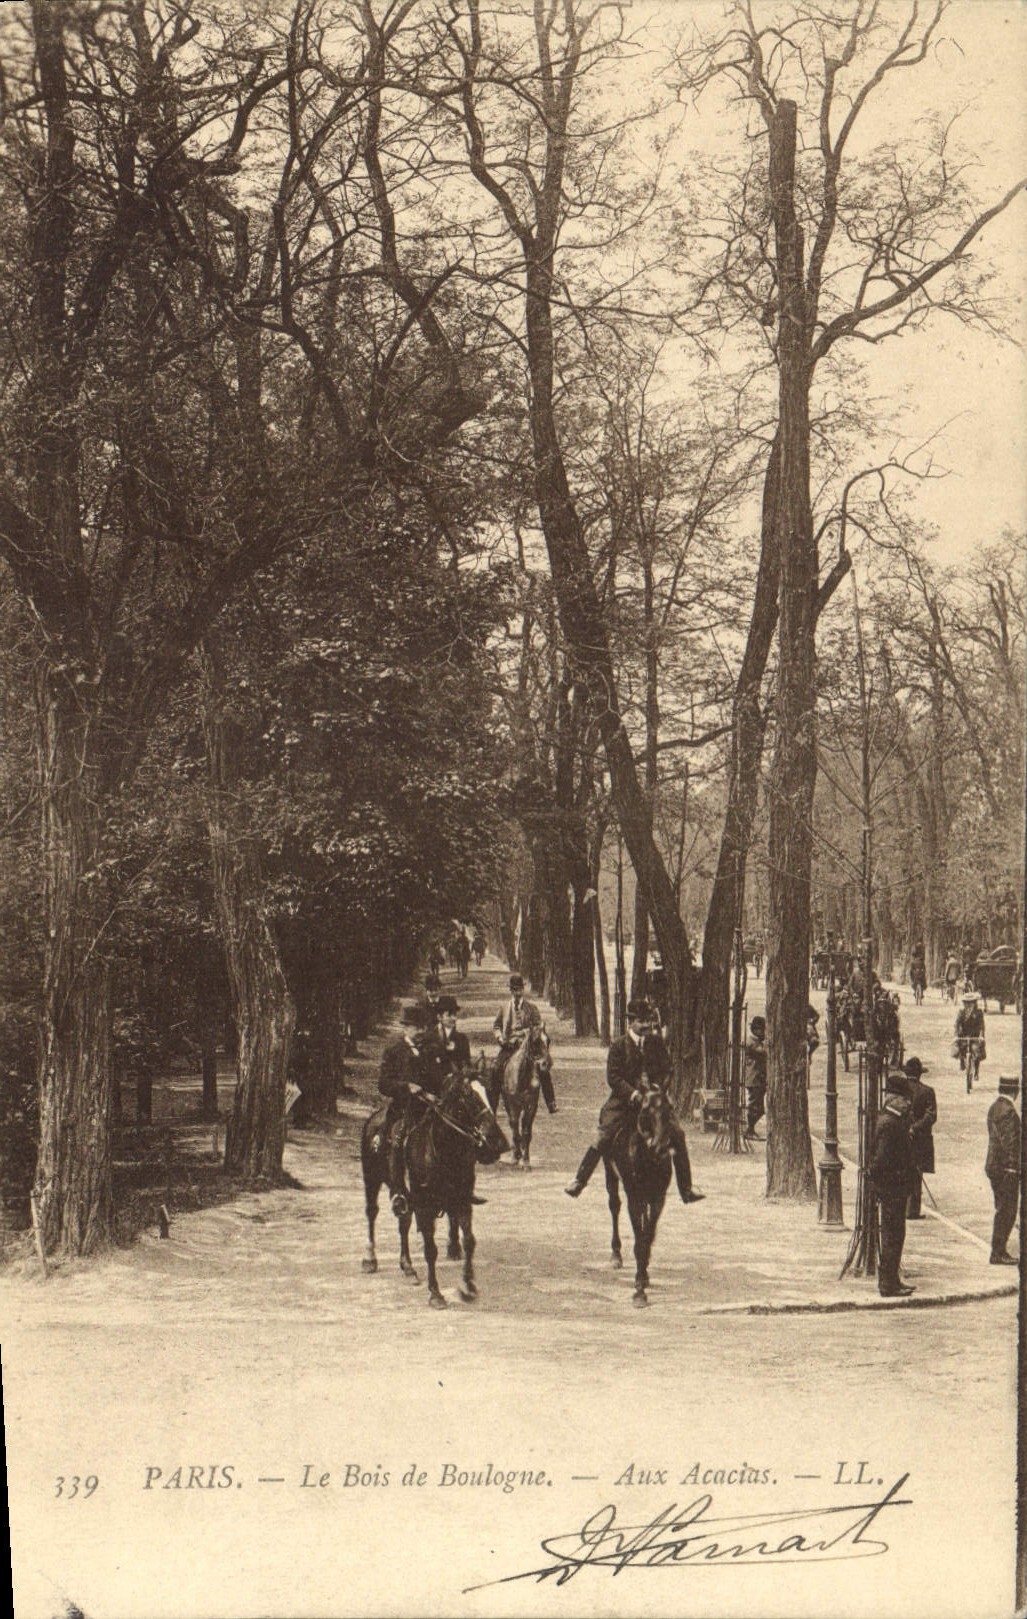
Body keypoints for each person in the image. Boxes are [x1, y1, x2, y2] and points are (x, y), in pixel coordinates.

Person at [564, 999, 704, 1205]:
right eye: (641, 1021)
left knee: (677, 1133)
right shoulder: (619, 1046)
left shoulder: (656, 1043)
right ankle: (580, 1180)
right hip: (625, 1102)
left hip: (654, 1101)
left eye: (649, 1021)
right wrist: (633, 1094)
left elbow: (668, 1069)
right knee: (605, 1135)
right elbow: (614, 1078)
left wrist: (659, 1088)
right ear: (631, 1022)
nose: (647, 1025)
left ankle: (687, 1188)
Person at [377, 1027, 443, 1215]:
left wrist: (434, 1093)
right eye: (416, 1027)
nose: (421, 1031)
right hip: (403, 1108)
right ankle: (398, 1192)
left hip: (428, 1107)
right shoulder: (394, 1051)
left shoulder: (429, 1050)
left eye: (423, 1027)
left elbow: (438, 1078)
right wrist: (406, 1087)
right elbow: (383, 1084)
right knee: (397, 1139)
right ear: (406, 1028)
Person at [869, 1070, 918, 1298]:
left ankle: (892, 1279)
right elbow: (880, 1161)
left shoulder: (893, 1120)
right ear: (894, 1099)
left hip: (895, 1188)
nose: (908, 1103)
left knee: (896, 1234)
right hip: (892, 1189)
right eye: (905, 1099)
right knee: (892, 1235)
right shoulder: (889, 1124)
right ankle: (888, 1283)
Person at [492, 974, 556, 1113]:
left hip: (528, 1047)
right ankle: (493, 1104)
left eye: (519, 989)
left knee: (543, 1070)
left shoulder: (531, 1008)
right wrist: (500, 1039)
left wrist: (530, 1032)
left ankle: (551, 1102)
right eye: (514, 990)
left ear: (523, 990)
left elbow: (538, 1026)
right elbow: (496, 1026)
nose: (517, 993)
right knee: (496, 1068)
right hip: (509, 1046)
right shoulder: (504, 1008)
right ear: (511, 991)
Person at [985, 1076, 1020, 1266]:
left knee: (1002, 1208)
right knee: (1007, 1210)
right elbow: (1010, 1143)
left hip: (994, 1166)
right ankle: (998, 1252)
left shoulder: (995, 1107)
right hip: (1005, 1169)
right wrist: (1013, 1167)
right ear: (1015, 1091)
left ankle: (998, 1250)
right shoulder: (1009, 1112)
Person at [903, 1057, 937, 1220]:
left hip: (901, 1135)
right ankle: (912, 1210)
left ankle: (903, 1207)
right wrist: (916, 1127)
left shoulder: (899, 1090)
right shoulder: (927, 1091)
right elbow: (931, 1115)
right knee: (916, 1173)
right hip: (920, 1137)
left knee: (902, 1170)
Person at [743, 1015, 767, 1141]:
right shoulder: (752, 1043)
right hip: (754, 1079)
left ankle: (750, 1129)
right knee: (755, 1106)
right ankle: (749, 1130)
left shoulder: (755, 1041)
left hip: (758, 1078)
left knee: (759, 1108)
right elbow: (764, 1052)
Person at [954, 990, 986, 1070]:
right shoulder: (961, 1012)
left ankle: (976, 1071)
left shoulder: (979, 1013)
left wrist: (981, 1036)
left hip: (975, 1036)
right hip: (964, 1035)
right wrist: (956, 1035)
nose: (968, 1005)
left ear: (975, 1004)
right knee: (960, 1046)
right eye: (966, 1003)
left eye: (971, 1003)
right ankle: (962, 1061)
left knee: (977, 1050)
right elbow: (957, 1024)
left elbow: (981, 1026)